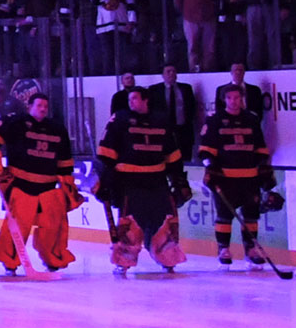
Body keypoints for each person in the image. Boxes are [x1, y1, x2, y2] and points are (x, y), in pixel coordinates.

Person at [0, 91, 77, 275]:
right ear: (29, 106)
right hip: (21, 186)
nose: (43, 109)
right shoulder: (15, 122)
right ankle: (10, 261)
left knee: (53, 227)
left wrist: (67, 183)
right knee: (17, 226)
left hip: (48, 187)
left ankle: (52, 259)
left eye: (45, 107)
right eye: (39, 105)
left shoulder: (57, 128)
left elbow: (64, 159)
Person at [96, 88, 185, 276]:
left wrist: (179, 182)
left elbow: (173, 156)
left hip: (157, 182)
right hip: (130, 183)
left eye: (135, 98)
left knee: (163, 222)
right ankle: (124, 260)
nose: (131, 102)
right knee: (130, 224)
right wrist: (104, 181)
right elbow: (107, 154)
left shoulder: (161, 121)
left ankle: (167, 257)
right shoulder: (119, 120)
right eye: (129, 99)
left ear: (146, 100)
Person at [198, 84, 276, 267]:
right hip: (225, 177)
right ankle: (223, 248)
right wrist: (210, 167)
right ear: (224, 100)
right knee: (225, 214)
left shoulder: (251, 119)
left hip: (250, 176)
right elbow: (204, 150)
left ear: (242, 99)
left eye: (237, 98)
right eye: (230, 98)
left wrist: (264, 167)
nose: (233, 101)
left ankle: (251, 248)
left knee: (251, 214)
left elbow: (260, 147)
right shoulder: (215, 119)